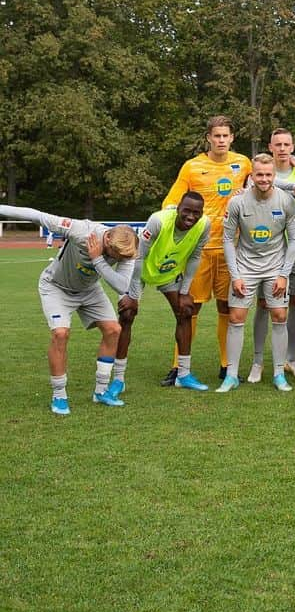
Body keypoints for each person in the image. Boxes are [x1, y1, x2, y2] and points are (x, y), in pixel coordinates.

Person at [0, 205, 137, 414]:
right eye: (115, 256)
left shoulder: (127, 250)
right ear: (107, 239)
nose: (119, 260)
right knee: (60, 333)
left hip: (89, 289)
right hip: (56, 287)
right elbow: (39, 216)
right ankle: (59, 395)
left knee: (114, 330)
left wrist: (98, 259)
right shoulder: (81, 230)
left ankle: (101, 391)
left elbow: (121, 285)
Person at [161, 116, 252, 385]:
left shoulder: (243, 163)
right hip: (198, 250)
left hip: (230, 250)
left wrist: (292, 162)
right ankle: (179, 366)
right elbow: (171, 202)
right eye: (217, 136)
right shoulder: (192, 167)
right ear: (208, 138)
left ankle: (227, 365)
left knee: (228, 307)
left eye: (226, 136)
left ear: (232, 138)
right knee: (189, 308)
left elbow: (265, 178)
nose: (221, 140)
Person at [219, 154, 295, 393]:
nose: (264, 179)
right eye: (259, 174)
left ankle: (278, 374)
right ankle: (231, 375)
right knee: (235, 317)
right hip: (245, 266)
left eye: (268, 174)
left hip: (276, 267)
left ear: (274, 176)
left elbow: (294, 240)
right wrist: (236, 276)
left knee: (278, 314)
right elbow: (227, 240)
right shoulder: (237, 203)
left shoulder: (286, 202)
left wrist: (284, 274)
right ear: (251, 176)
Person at [117, 192, 211, 394]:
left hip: (168, 272)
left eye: (197, 212)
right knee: (126, 314)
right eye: (187, 211)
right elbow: (139, 256)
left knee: (186, 310)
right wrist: (133, 295)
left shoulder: (204, 225)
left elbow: (195, 256)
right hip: (140, 270)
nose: (191, 217)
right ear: (178, 208)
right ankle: (118, 378)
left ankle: (183, 375)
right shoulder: (158, 220)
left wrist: (185, 291)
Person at [249, 128, 295, 383]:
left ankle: (291, 358)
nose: (283, 148)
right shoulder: (260, 172)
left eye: (287, 144)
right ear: (270, 147)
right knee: (265, 303)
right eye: (278, 144)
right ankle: (258, 361)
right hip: (268, 248)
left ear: (293, 146)